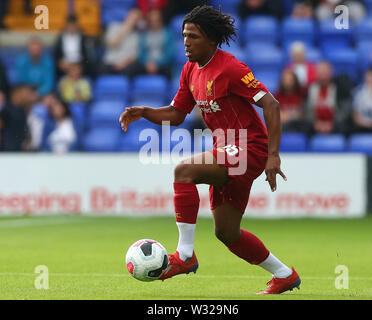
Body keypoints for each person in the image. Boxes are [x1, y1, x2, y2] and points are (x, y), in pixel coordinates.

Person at [119, 5, 300, 295]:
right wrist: (145, 112)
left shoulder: (231, 69)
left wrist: (273, 155)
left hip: (249, 147)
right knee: (227, 233)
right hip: (227, 149)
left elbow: (272, 104)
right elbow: (177, 114)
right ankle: (284, 274)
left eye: (194, 36)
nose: (186, 42)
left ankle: (185, 256)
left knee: (184, 171)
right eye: (184, 36)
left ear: (212, 39)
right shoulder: (190, 70)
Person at [126, 9, 175, 78]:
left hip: (161, 65)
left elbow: (170, 53)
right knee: (132, 69)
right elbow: (140, 52)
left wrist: (157, 64)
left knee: (169, 70)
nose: (154, 23)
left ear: (160, 20)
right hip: (146, 65)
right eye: (152, 21)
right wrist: (147, 63)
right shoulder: (143, 35)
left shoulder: (168, 34)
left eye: (156, 21)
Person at [0, 84, 38, 152]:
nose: (26, 95)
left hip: (18, 151)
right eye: (25, 92)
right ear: (16, 94)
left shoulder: (22, 111)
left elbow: (25, 132)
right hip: (6, 151)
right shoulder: (7, 109)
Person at [102, 8, 140, 75]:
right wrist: (124, 31)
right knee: (101, 69)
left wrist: (123, 64)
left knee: (132, 69)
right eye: (132, 18)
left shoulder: (136, 35)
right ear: (127, 17)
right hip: (110, 62)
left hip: (125, 65)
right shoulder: (113, 27)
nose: (133, 21)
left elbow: (134, 56)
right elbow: (112, 44)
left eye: (136, 19)